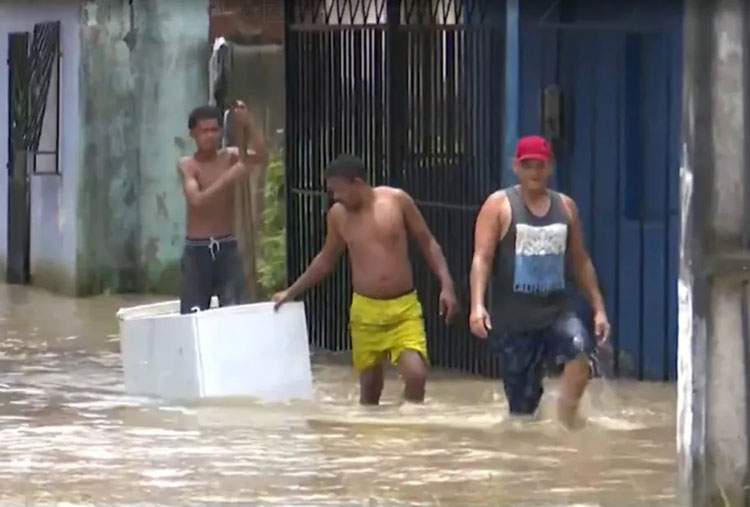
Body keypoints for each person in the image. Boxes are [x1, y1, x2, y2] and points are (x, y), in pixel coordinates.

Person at [272, 154, 459, 405]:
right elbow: (326, 259)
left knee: (416, 375)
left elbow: (427, 242)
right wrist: (291, 292)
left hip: (403, 308)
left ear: (358, 183)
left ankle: (411, 430)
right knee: (369, 391)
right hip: (365, 310)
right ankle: (368, 439)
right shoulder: (338, 215)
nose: (335, 197)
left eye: (338, 190)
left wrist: (446, 285)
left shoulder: (397, 200)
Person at [468, 135, 610, 428]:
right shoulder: (498, 205)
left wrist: (598, 308)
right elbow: (481, 258)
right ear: (515, 167)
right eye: (527, 165)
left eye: (540, 165)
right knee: (523, 413)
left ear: (551, 167)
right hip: (514, 321)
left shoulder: (566, 207)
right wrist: (477, 306)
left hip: (556, 312)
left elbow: (580, 260)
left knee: (579, 351)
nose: (534, 171)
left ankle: (566, 421)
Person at [177, 101, 267, 314]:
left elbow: (260, 155)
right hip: (197, 249)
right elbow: (197, 200)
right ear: (193, 134)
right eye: (204, 131)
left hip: (226, 246)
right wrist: (230, 177)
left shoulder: (231, 156)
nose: (210, 135)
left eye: (214, 130)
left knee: (233, 311)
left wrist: (249, 124)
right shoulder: (188, 165)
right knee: (193, 313)